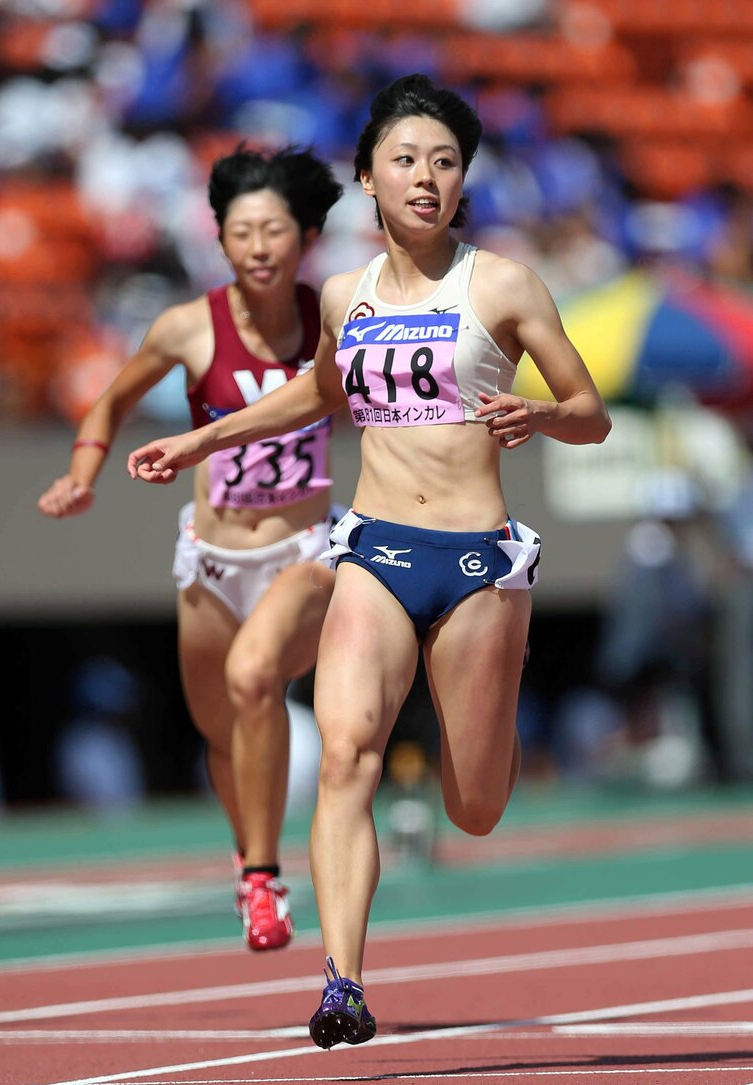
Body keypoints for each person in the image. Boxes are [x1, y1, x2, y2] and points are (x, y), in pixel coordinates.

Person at [126, 74, 611, 1046]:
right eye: (407, 160)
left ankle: (495, 710)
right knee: (346, 753)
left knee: (472, 809)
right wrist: (200, 441)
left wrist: (543, 412)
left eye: (445, 161)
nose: (427, 176)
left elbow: (591, 411)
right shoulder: (344, 296)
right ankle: (342, 980)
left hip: (476, 559)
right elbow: (313, 397)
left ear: (462, 181)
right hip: (376, 548)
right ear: (367, 178)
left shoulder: (504, 283)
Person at [39, 143, 343, 951]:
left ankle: (261, 877)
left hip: (304, 547)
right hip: (211, 559)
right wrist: (81, 474)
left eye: (273, 230)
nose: (257, 247)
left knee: (255, 682)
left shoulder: (337, 316)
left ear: (305, 235)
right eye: (241, 231)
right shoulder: (186, 326)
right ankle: (254, 859)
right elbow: (108, 401)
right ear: (220, 238)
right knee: (221, 734)